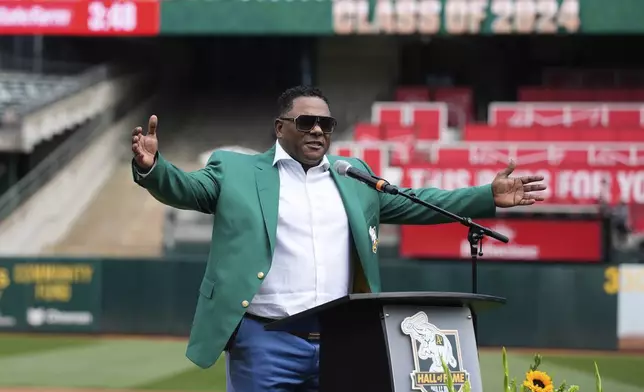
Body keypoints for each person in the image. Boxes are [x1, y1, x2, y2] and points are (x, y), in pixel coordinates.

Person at [130, 85, 546, 392]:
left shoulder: (354, 177)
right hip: (264, 341)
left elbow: (418, 201)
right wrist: (153, 167)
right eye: (305, 122)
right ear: (280, 127)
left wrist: (484, 196)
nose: (316, 131)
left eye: (325, 124)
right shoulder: (235, 170)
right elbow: (185, 189)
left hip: (342, 341)